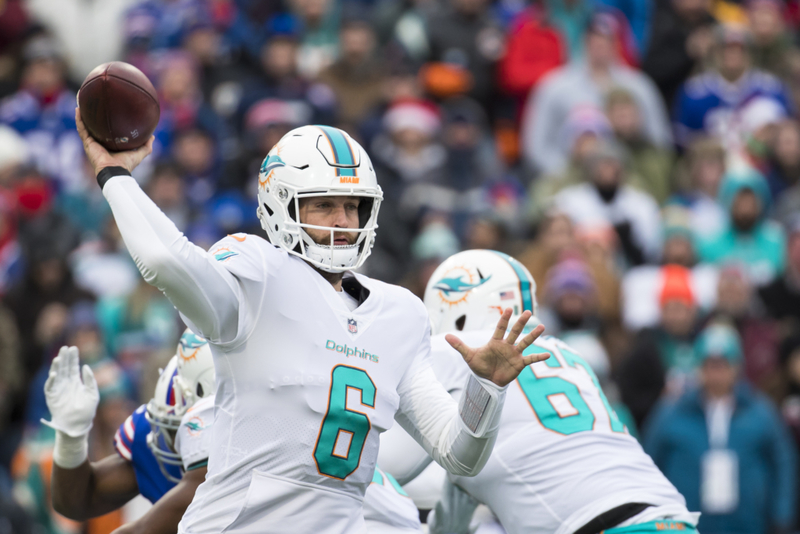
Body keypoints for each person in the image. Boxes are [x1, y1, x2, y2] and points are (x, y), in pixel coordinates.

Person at [74, 115, 548, 534]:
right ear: (282, 206)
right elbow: (163, 259)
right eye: (323, 205)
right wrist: (115, 174)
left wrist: (485, 389)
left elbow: (458, 454)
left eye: (353, 206)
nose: (343, 221)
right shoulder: (255, 274)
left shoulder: (399, 313)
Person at [378, 250, 697, 534]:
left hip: (594, 523)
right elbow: (456, 505)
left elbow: (376, 462)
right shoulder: (568, 356)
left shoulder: (453, 352)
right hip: (670, 516)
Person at [42, 329, 216, 534]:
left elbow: (199, 489)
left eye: (193, 427)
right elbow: (79, 499)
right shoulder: (162, 439)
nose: (182, 442)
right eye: (178, 431)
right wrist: (70, 436)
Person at [644, 323, 797, 534]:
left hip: (748, 523)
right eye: (710, 364)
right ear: (699, 367)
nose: (717, 373)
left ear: (737, 367)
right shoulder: (672, 412)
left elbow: (783, 462)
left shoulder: (759, 411)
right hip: (688, 524)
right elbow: (650, 462)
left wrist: (781, 516)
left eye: (724, 364)